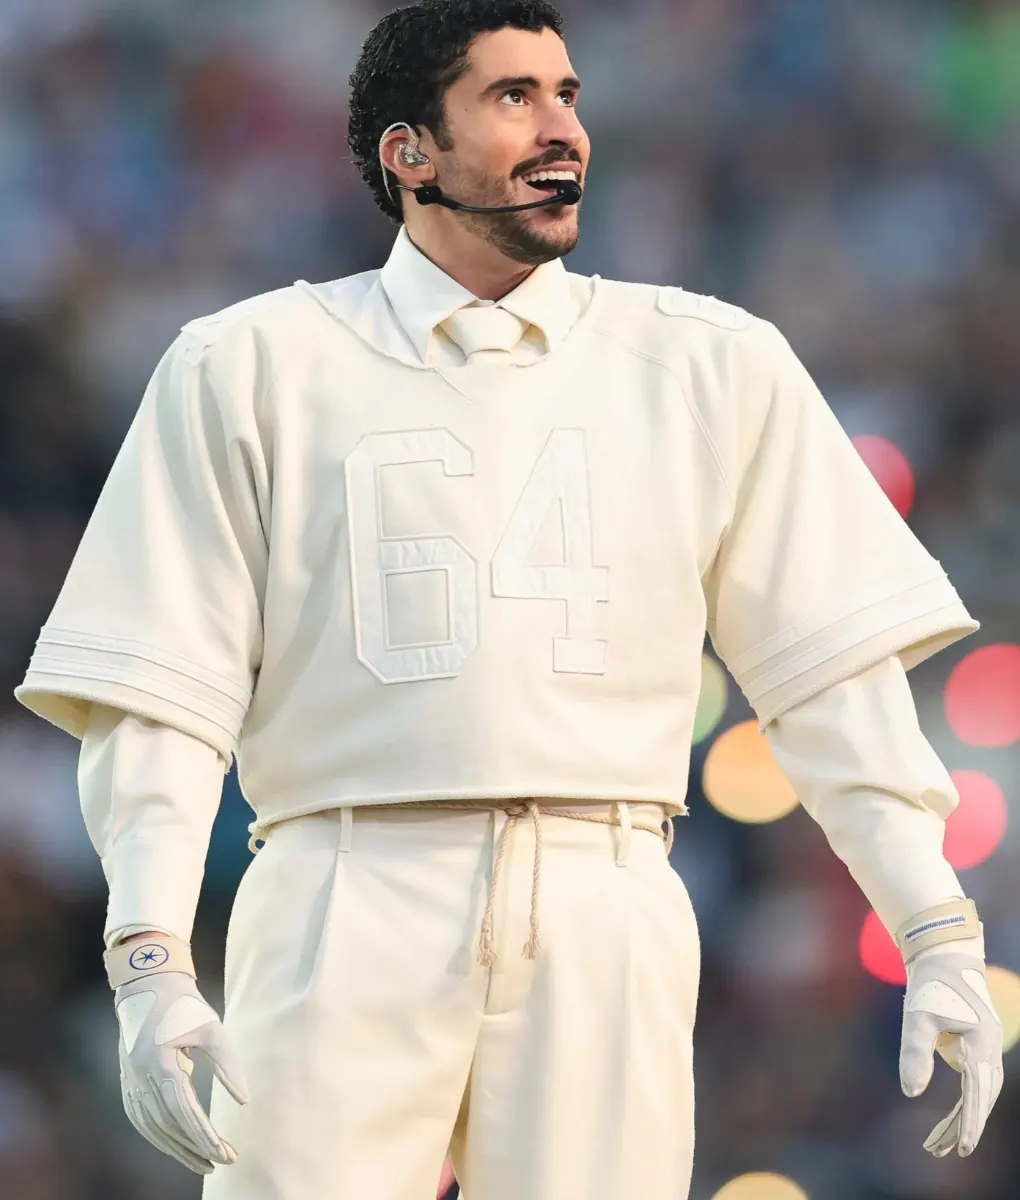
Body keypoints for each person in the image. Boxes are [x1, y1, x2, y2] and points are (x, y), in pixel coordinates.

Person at [15, 2, 1004, 1198]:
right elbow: (162, 692)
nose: (562, 129)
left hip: (610, 888)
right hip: (339, 881)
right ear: (409, 153)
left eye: (568, 95)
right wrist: (149, 955)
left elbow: (829, 676)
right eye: (513, 97)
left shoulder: (714, 362)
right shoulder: (245, 364)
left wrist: (935, 923)